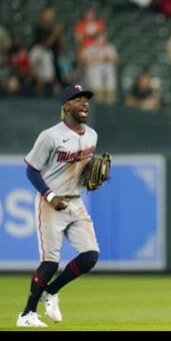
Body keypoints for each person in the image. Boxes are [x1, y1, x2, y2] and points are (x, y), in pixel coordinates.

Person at [16, 84, 101, 327]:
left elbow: (82, 171)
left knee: (90, 256)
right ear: (66, 106)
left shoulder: (92, 135)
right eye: (78, 99)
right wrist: (50, 196)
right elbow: (32, 171)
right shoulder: (50, 136)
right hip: (51, 203)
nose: (84, 103)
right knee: (50, 262)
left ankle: (51, 291)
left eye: (86, 99)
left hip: (76, 201)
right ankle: (27, 315)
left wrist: (93, 179)